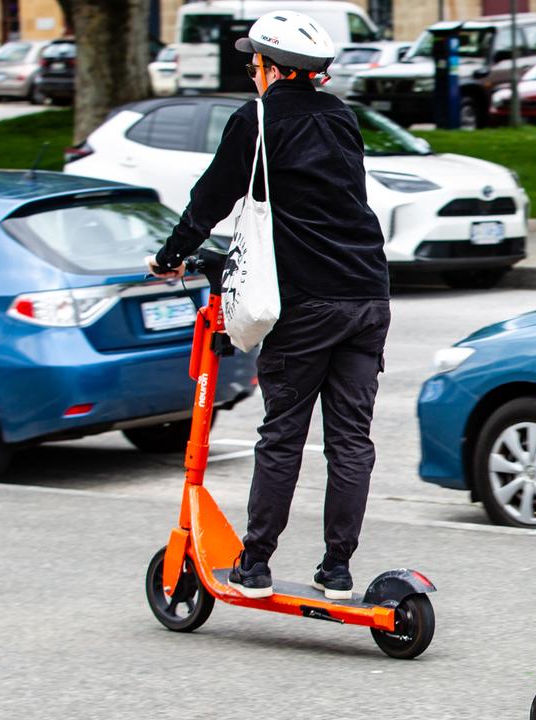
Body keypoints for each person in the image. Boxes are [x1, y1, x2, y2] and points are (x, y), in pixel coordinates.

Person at [146, 10, 391, 602]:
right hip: (367, 294)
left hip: (306, 303)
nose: (252, 72)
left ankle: (253, 566)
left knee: (281, 435)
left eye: (254, 62)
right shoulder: (342, 118)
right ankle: (337, 572)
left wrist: (170, 256)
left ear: (273, 67)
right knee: (351, 441)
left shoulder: (255, 117)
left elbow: (209, 200)